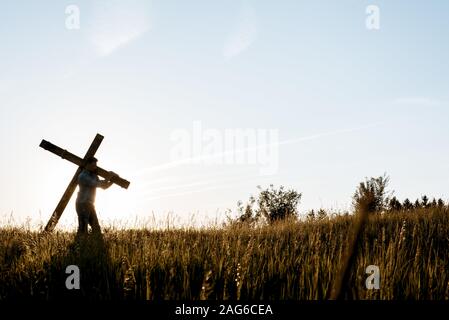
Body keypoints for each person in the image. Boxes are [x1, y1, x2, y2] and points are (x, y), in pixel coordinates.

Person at [75, 156, 117, 236]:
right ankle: (79, 246)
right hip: (82, 204)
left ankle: (94, 245)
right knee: (83, 229)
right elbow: (97, 184)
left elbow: (104, 186)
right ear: (88, 164)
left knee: (96, 229)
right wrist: (108, 177)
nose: (95, 167)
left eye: (95, 165)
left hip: (90, 204)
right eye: (93, 165)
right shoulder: (83, 176)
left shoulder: (94, 176)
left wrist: (112, 180)